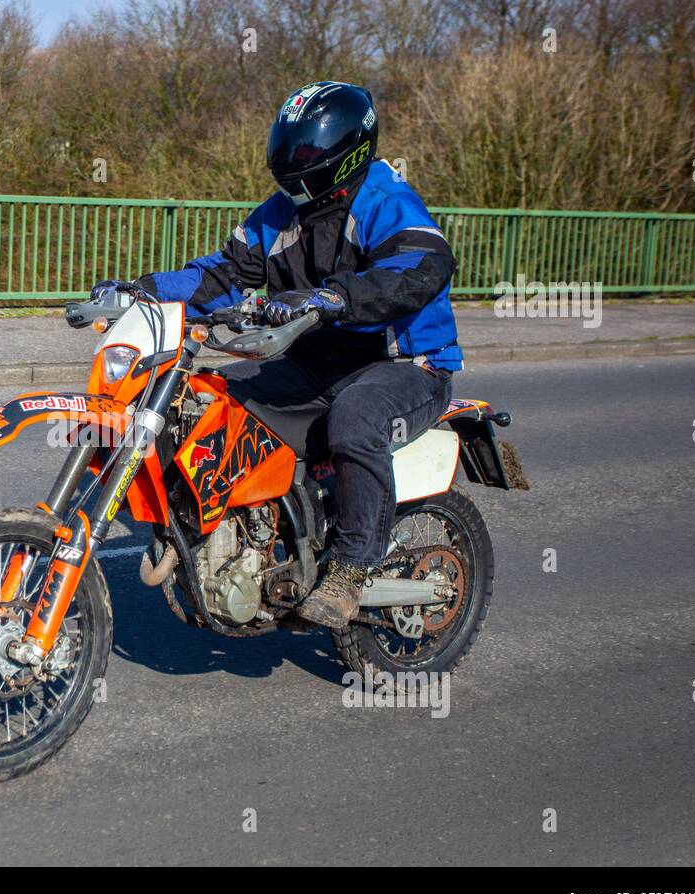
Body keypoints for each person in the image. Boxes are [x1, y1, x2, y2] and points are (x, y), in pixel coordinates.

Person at [91, 81, 463, 628]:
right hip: (318, 362)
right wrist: (140, 291)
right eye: (290, 148)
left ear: (346, 151)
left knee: (356, 417)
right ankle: (222, 529)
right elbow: (218, 276)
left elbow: (421, 266)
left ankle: (350, 572)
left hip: (405, 365)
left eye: (308, 151)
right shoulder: (282, 213)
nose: (295, 161)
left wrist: (335, 296)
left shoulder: (385, 200)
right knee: (215, 397)